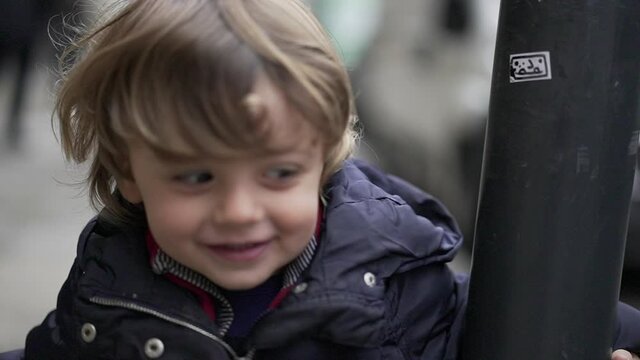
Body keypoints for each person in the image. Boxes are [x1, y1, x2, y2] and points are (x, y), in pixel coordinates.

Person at [1, 0, 639, 359]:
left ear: (323, 159)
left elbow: (573, 323)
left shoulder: (402, 286)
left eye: (279, 173)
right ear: (127, 173)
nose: (241, 210)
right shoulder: (103, 298)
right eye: (196, 176)